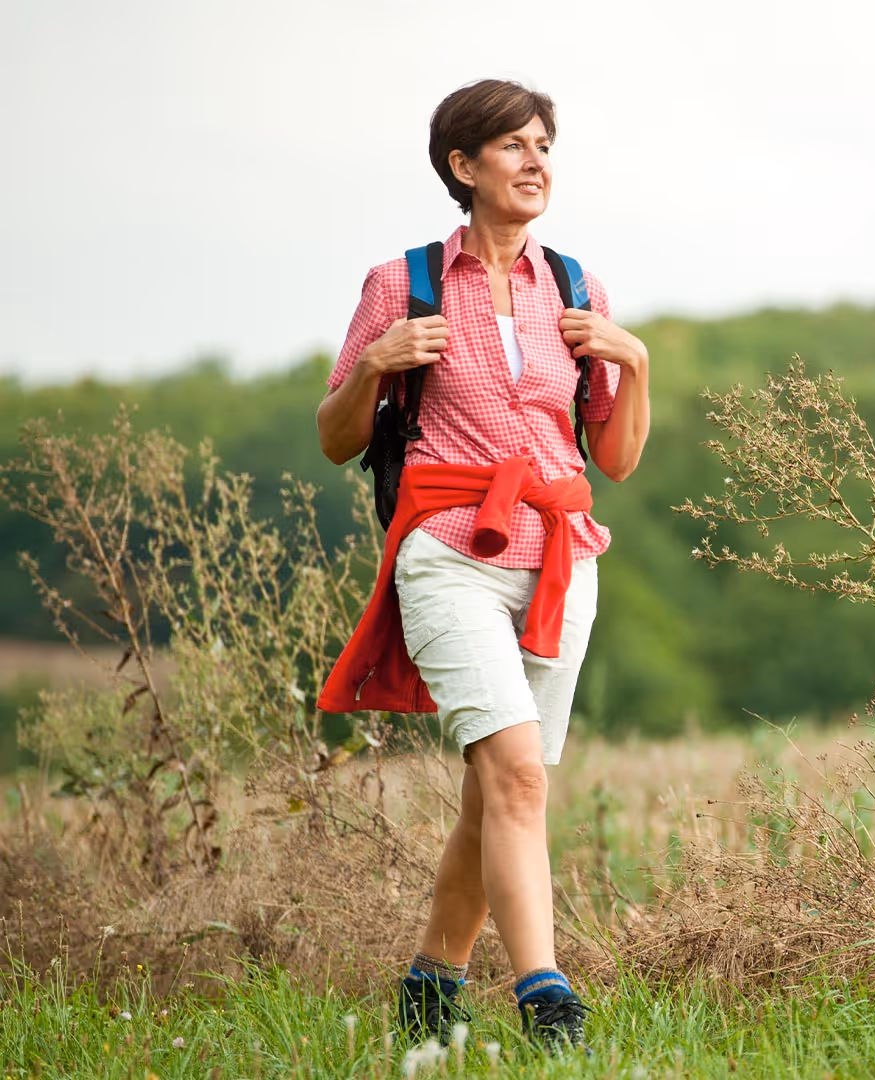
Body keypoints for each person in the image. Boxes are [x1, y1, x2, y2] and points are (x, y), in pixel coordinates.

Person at [314, 78, 651, 1052]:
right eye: (512, 146)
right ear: (463, 168)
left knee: (500, 788)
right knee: (514, 778)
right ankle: (548, 1000)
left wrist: (637, 361)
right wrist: (379, 361)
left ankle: (429, 986)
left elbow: (618, 460)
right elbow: (337, 437)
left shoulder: (576, 287)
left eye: (544, 144)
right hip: (450, 552)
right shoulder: (402, 283)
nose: (536, 161)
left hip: (561, 556)